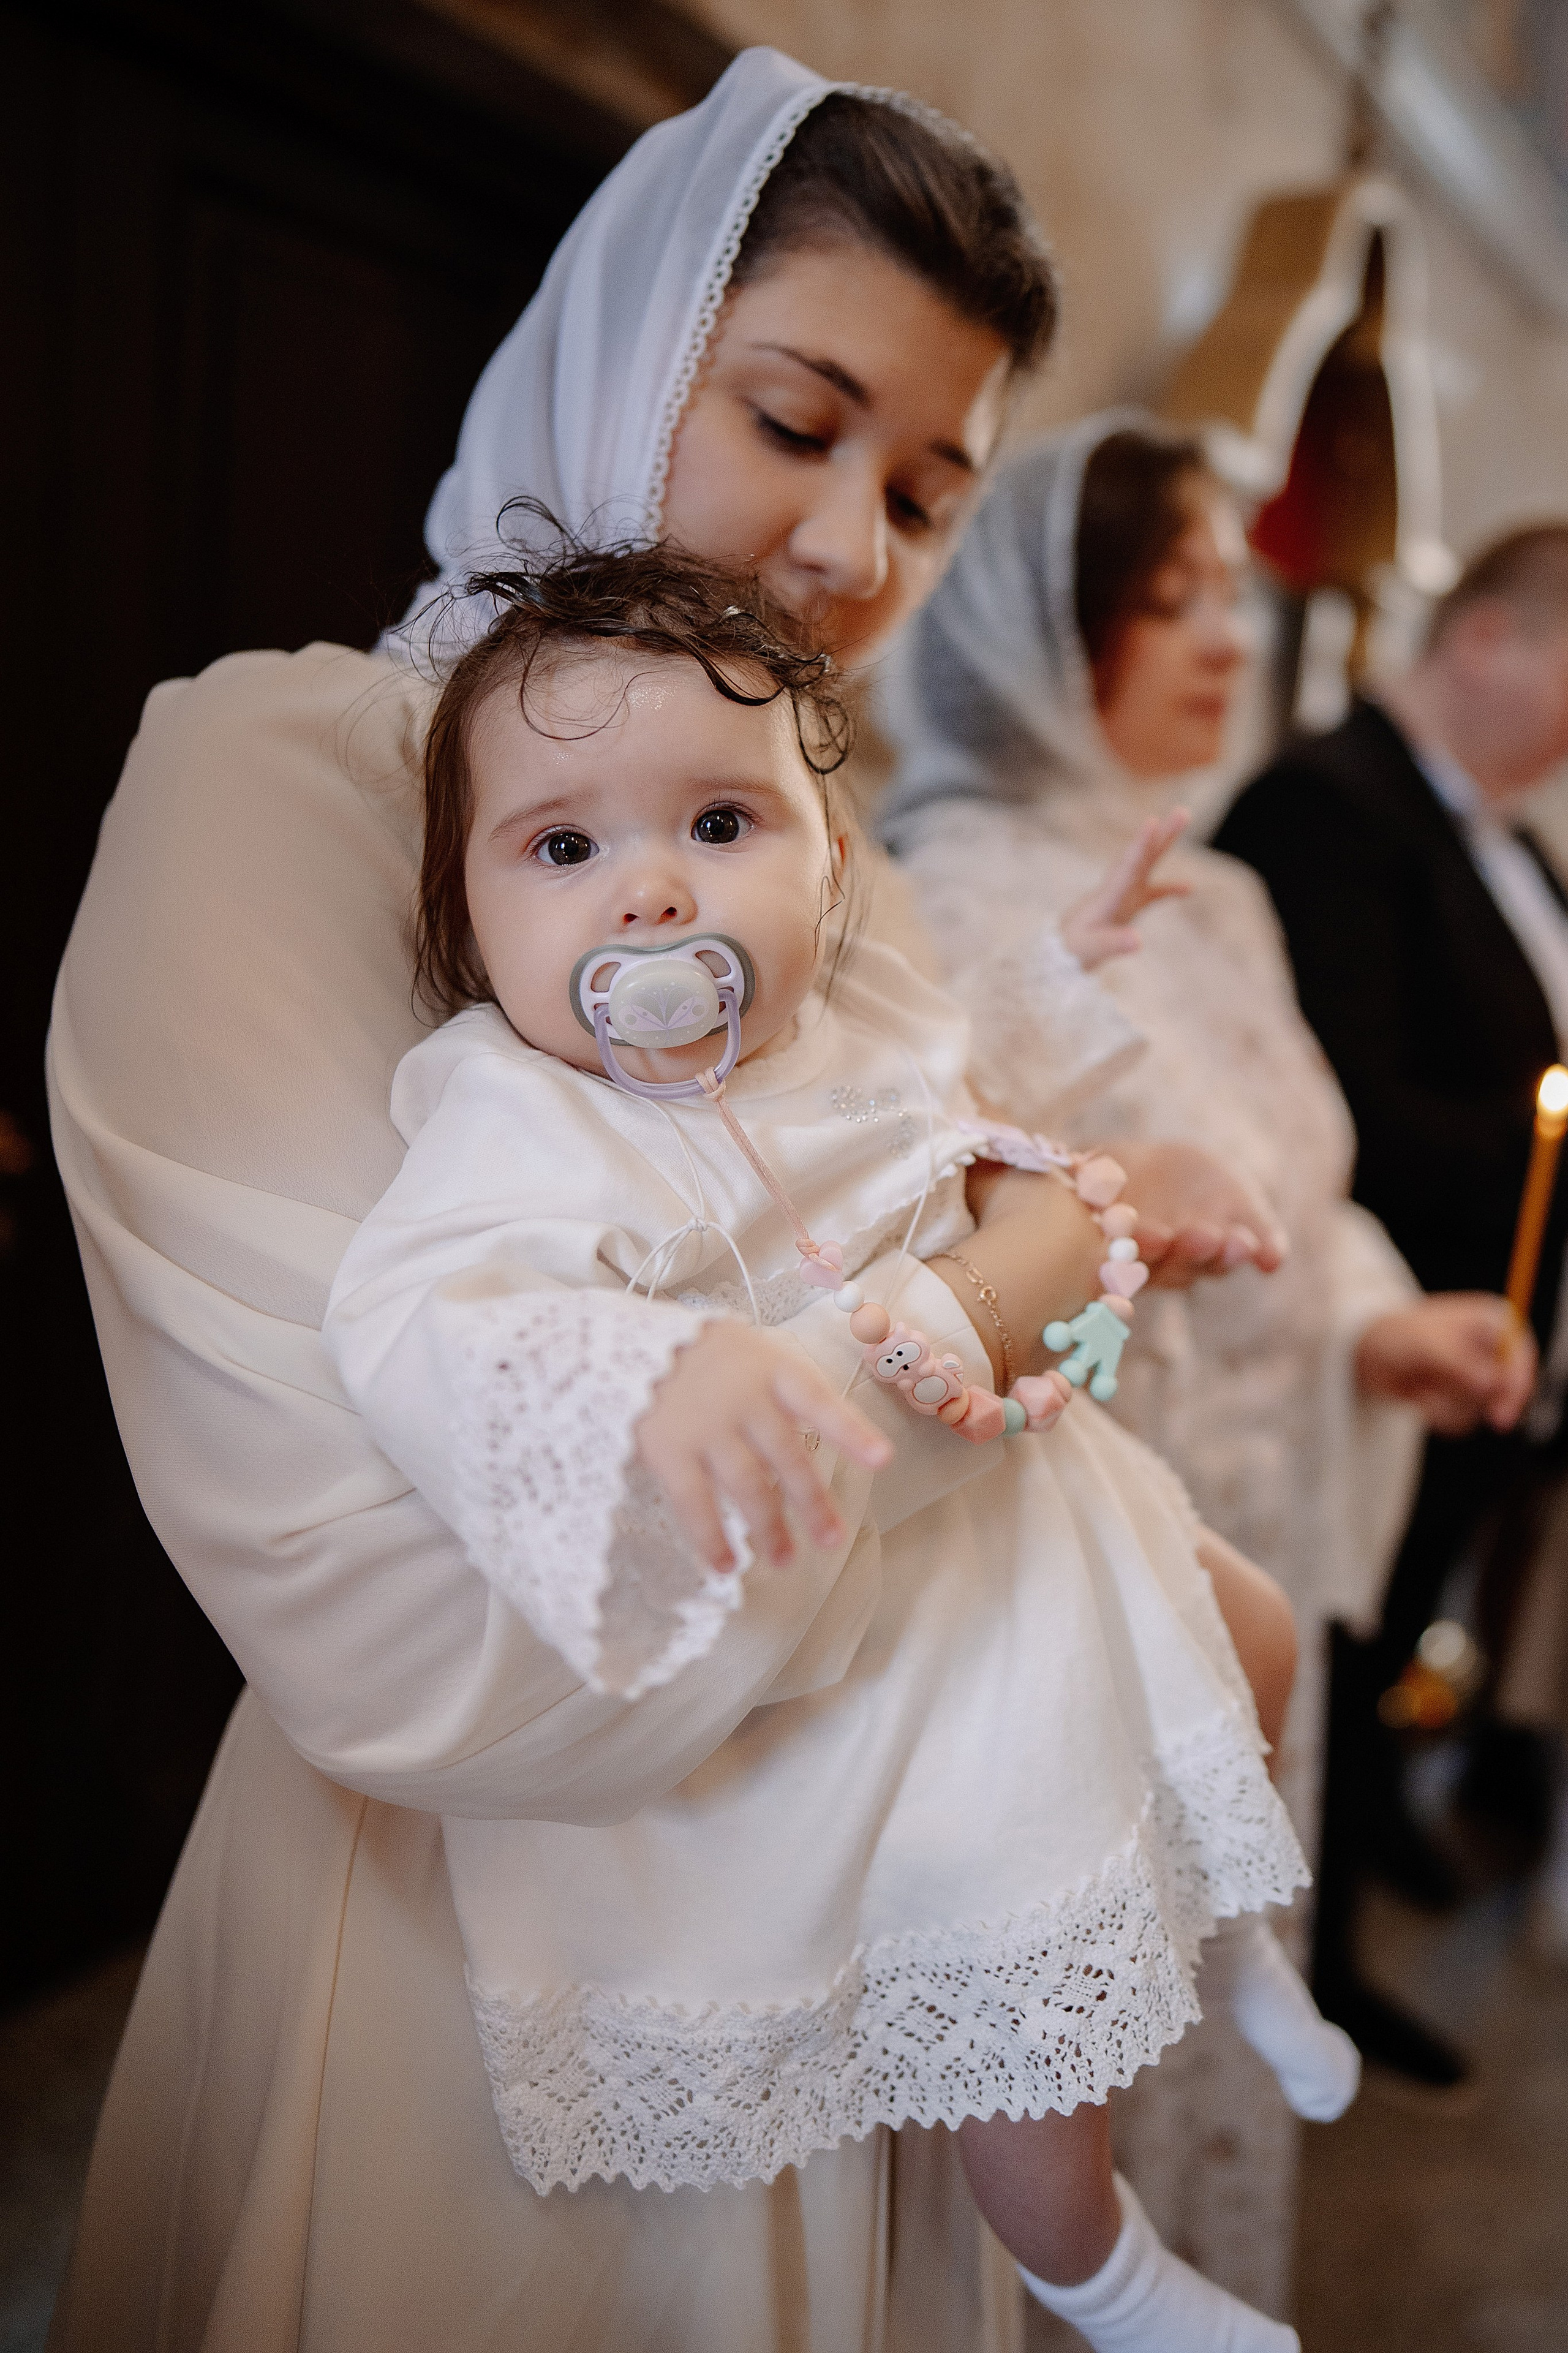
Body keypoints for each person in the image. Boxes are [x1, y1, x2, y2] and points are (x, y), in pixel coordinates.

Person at [47, 53, 1276, 2352]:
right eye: (795, 422)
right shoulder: (279, 775)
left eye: (925, 493)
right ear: (622, 347)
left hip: (891, 1927)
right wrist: (990, 1315)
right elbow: (437, 1645)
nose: (846, 552)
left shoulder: (827, 862)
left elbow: (1064, 1260)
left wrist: (1039, 1263)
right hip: (471, 1975)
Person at [324, 527, 1325, 2347]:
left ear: (828, 863)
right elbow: (417, 1311)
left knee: (1254, 1636)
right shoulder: (506, 1114)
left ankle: (1235, 1943)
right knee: (1017, 1917)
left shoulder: (845, 1026)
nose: (652, 896)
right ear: (469, 919)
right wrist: (642, 1377)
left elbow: (971, 1110)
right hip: (874, 1647)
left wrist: (1108, 1118)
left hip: (1023, 1515)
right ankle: (1091, 2262)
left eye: (722, 827)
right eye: (565, 847)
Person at [876, 414, 1531, 2275]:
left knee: (1206, 1999)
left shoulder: (1219, 893)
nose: (1233, 640)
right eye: (1178, 601)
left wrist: (1382, 1320)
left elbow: (1299, 1196)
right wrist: (1108, 1236)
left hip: (1256, 1518)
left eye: (1233, 592)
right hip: (1079, 1523)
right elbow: (935, 1250)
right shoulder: (945, 899)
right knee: (1064, 2051)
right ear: (1041, 629)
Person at [1216, 525, 1568, 2089]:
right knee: (1351, 1635)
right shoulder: (1323, 805)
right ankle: (1328, 1951)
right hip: (1375, 1322)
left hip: (1488, 1332)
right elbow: (1340, 1101)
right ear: (1483, 637)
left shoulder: (1526, 849)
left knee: (1414, 1616)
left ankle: (1371, 1842)